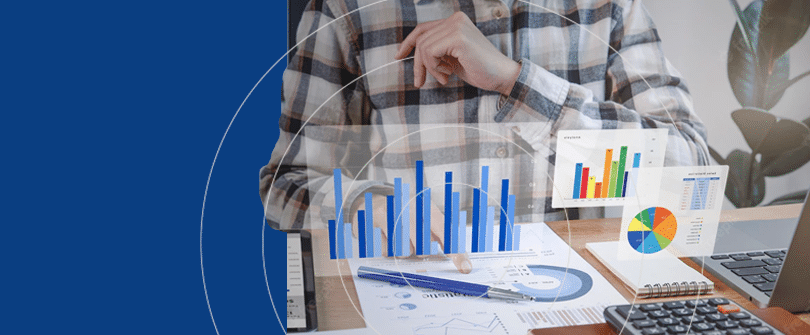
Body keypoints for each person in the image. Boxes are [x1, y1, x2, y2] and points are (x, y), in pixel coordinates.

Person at [260, 0, 709, 257]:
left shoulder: (605, 7)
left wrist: (516, 82)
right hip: (414, 312)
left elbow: (691, 171)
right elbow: (286, 186)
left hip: (574, 316)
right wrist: (362, 208)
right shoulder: (347, 9)